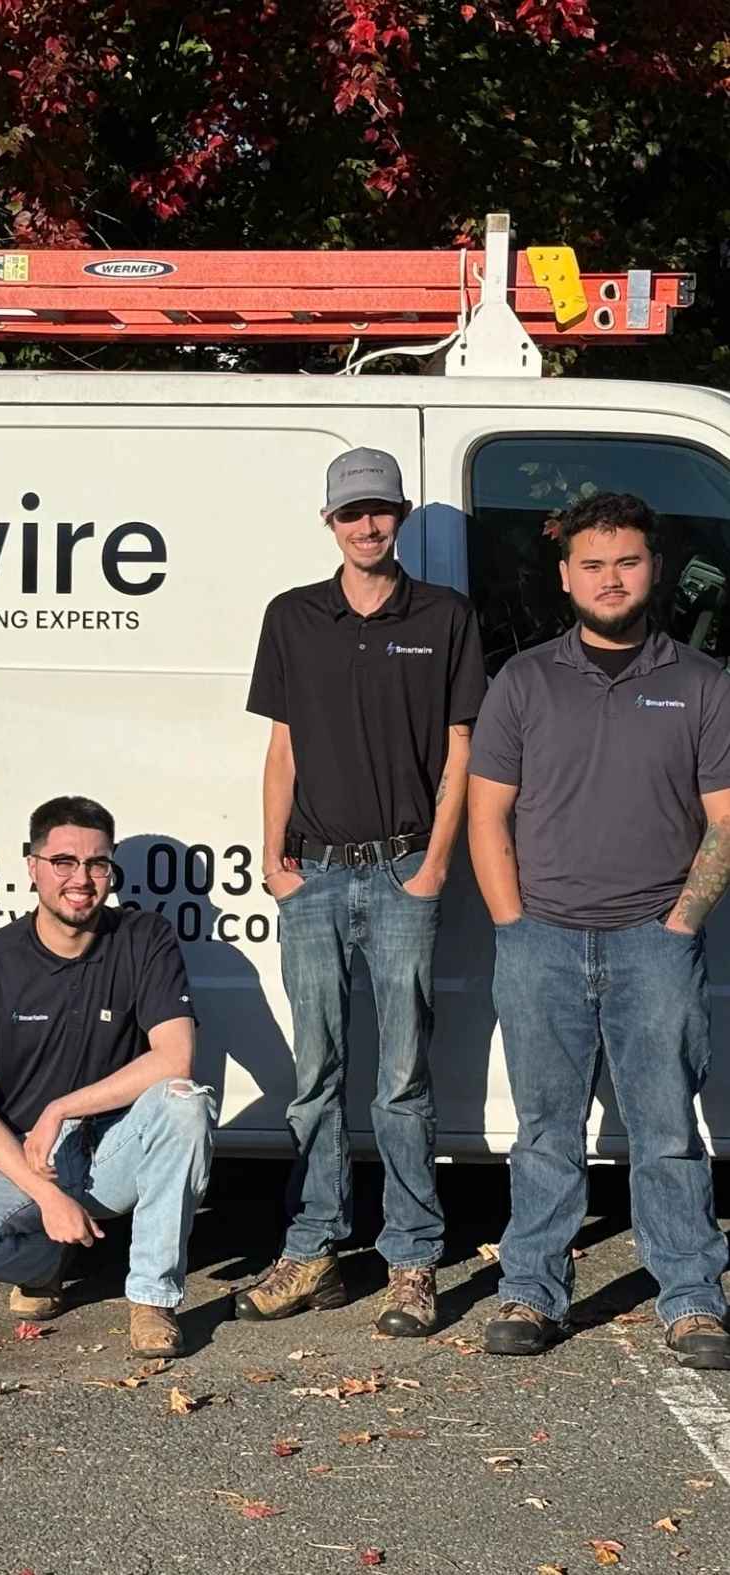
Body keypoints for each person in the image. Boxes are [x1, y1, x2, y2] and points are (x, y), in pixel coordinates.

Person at [468, 491, 730, 1369]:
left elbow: (725, 819)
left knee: (666, 1130)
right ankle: (530, 1290)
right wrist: (511, 924)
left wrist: (679, 925)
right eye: (591, 564)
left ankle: (690, 1298)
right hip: (539, 940)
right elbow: (485, 815)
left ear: (653, 568)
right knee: (544, 1130)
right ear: (564, 576)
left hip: (654, 943)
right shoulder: (523, 680)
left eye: (625, 561)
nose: (609, 578)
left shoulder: (702, 684)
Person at [241, 447, 485, 1336]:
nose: (367, 525)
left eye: (380, 509)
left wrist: (435, 863)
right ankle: (313, 1247)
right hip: (310, 873)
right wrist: (273, 860)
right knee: (314, 1076)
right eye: (351, 513)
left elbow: (461, 751)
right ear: (329, 522)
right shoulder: (292, 616)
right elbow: (281, 749)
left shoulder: (445, 616)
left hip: (401, 870)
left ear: (401, 515)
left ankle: (411, 1261)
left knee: (402, 1080)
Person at [0, 795, 212, 1359]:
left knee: (183, 1102)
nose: (81, 879)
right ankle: (45, 1261)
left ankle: (152, 1299)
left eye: (97, 864)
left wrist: (61, 1107)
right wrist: (46, 1195)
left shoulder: (144, 937)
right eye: (64, 862)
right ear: (33, 867)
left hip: (115, 1146)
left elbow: (174, 1058)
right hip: (30, 1153)